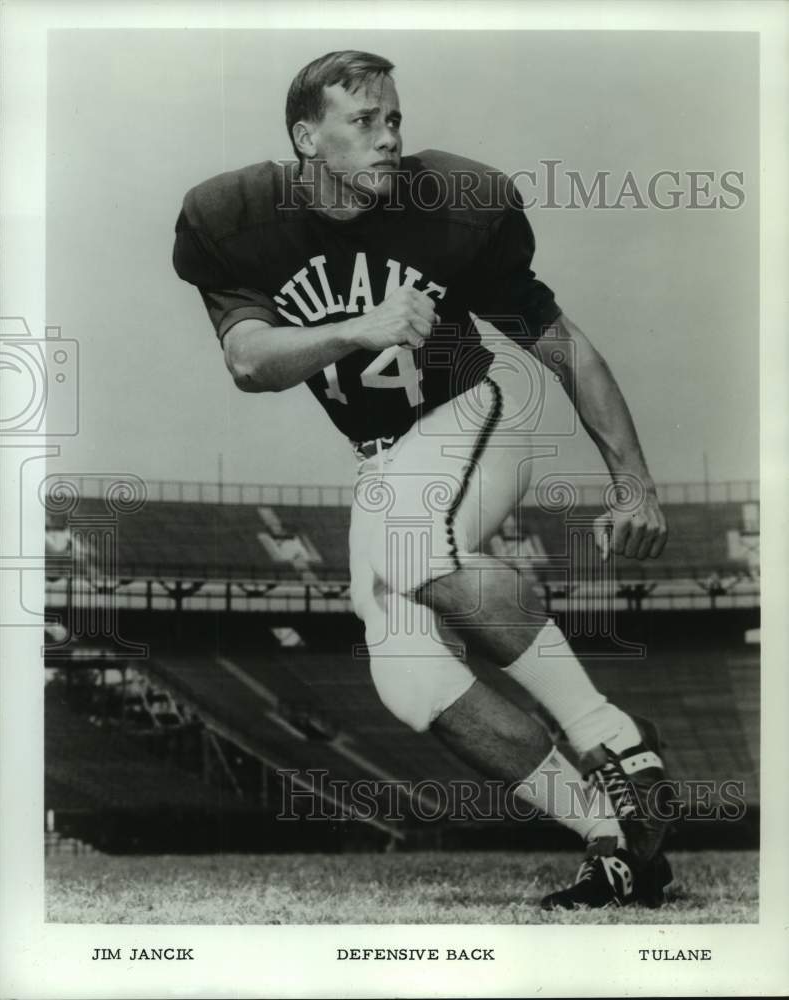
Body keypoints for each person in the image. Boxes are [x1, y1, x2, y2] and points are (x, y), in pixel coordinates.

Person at [173, 50, 672, 910]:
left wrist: (634, 483)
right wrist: (356, 330)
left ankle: (615, 740)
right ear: (306, 136)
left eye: (395, 119)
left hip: (481, 405)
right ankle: (610, 835)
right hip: (386, 459)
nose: (389, 138)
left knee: (417, 546)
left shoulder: (452, 204)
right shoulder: (233, 216)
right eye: (363, 122)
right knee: (406, 675)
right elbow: (249, 363)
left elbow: (562, 344)